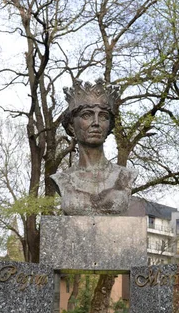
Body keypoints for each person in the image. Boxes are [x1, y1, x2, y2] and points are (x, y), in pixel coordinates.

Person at [51, 79, 136, 215]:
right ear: (71, 126)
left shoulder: (125, 176)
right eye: (87, 115)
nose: (96, 122)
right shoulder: (62, 179)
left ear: (109, 126)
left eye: (103, 116)